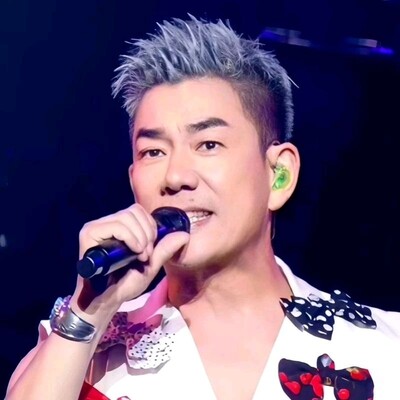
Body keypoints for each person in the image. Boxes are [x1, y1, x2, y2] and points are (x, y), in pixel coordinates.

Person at [5, 15, 400, 400]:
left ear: (279, 174)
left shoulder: (384, 348)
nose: (176, 176)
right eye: (153, 151)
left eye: (208, 145)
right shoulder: (78, 348)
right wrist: (90, 313)